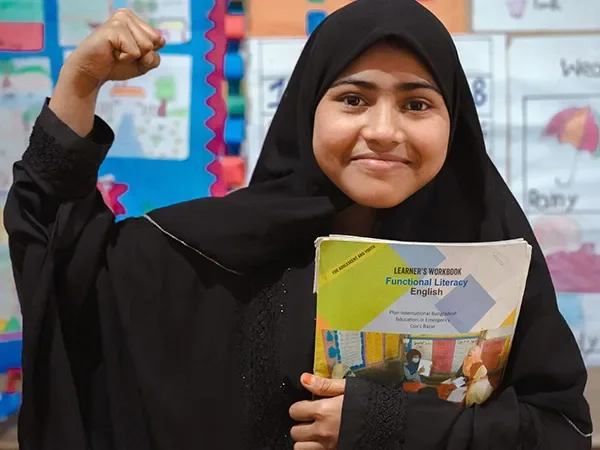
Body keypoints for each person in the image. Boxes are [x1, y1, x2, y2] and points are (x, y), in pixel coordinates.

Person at [2, 0, 592, 448]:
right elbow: (61, 251)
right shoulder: (208, 253)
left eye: (417, 104)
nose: (384, 130)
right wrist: (80, 83)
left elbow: (560, 428)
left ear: (453, 122)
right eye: (353, 99)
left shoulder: (489, 256)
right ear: (308, 111)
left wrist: (383, 425)